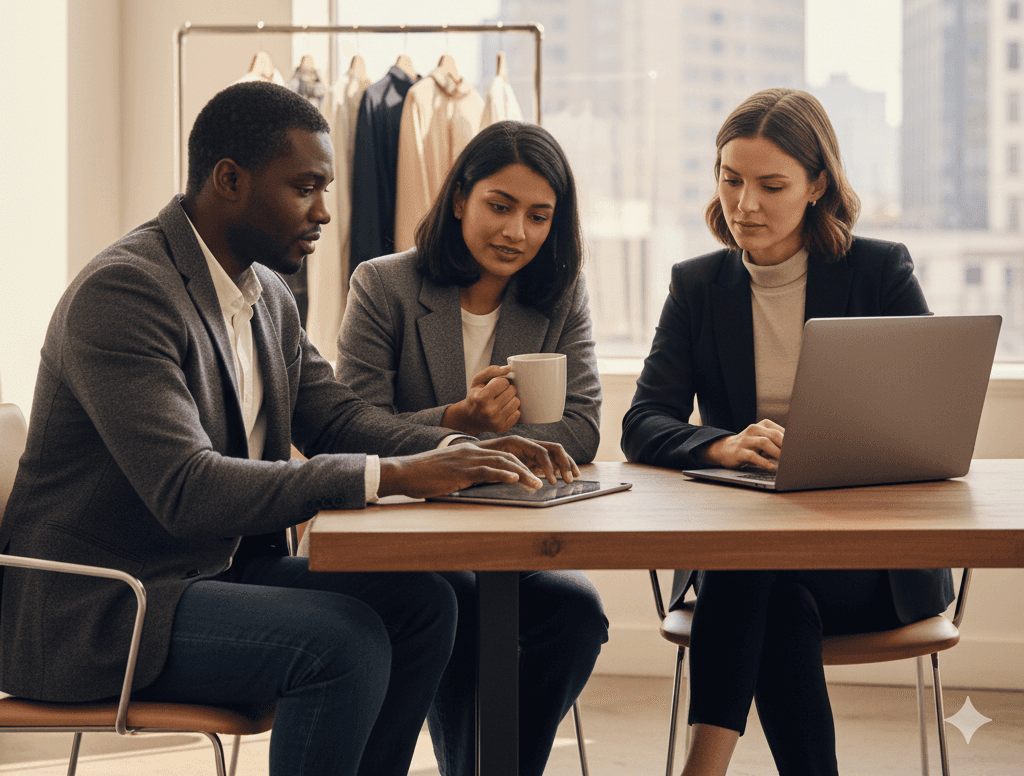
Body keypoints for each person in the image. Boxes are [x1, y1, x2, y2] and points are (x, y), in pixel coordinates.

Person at [0, 82, 574, 776]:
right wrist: (392, 475)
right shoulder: (124, 293)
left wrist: (465, 450)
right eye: (305, 188)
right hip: (107, 604)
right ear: (230, 180)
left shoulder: (267, 294)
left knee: (428, 600)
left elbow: (336, 417)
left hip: (216, 574)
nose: (325, 212)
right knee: (342, 643)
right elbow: (186, 488)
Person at [620, 88, 954, 776]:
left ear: (817, 185)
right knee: (767, 580)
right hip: (759, 559)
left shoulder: (879, 270)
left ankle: (699, 771)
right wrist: (720, 444)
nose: (745, 204)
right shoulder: (697, 286)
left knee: (750, 569)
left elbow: (931, 415)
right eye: (730, 179)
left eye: (771, 185)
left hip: (867, 562)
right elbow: (643, 420)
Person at [335, 119, 609, 776]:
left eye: (540, 216)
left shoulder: (559, 295)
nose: (518, 231)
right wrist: (460, 422)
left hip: (512, 534)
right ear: (460, 198)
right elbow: (352, 424)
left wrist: (497, 441)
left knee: (577, 614)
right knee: (456, 602)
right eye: (500, 206)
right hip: (410, 537)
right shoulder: (383, 286)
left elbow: (583, 424)